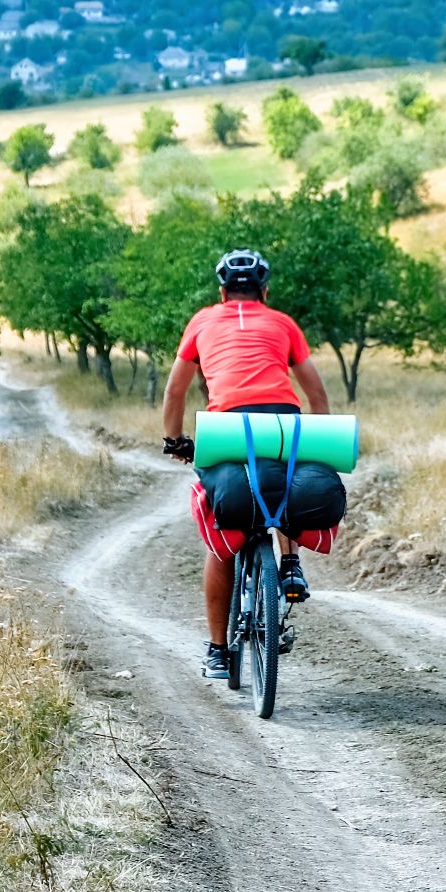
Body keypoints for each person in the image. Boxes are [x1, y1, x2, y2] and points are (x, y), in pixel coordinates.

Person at [161, 249, 333, 681]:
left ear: (222, 292)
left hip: (226, 427)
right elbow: (316, 393)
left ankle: (217, 651)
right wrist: (317, 441)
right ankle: (289, 565)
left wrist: (175, 440)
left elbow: (175, 391)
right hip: (282, 421)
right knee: (285, 481)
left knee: (222, 535)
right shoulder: (283, 323)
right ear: (265, 291)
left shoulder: (202, 321)